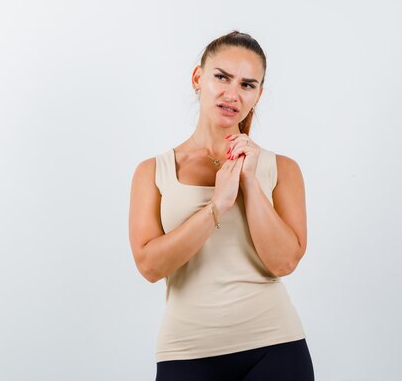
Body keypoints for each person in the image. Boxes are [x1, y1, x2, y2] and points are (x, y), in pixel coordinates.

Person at [128, 31, 315, 381]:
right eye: (221, 77)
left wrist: (250, 182)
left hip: (275, 346)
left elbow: (284, 261)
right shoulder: (153, 171)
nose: (232, 94)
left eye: (247, 84)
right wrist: (217, 205)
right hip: (186, 352)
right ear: (199, 78)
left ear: (258, 94)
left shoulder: (283, 169)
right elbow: (150, 266)